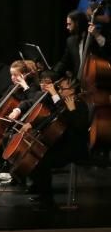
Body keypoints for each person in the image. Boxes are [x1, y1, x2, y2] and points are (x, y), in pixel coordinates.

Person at [25, 75, 90, 207]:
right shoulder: (65, 102)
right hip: (61, 144)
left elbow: (79, 126)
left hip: (74, 147)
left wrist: (71, 110)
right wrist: (32, 124)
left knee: (42, 160)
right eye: (58, 89)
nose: (59, 91)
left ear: (72, 90)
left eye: (61, 88)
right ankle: (41, 191)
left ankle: (48, 201)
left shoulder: (79, 104)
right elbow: (51, 116)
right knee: (35, 156)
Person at [54, 10, 106, 77]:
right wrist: (52, 73)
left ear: (77, 23)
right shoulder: (70, 41)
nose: (67, 27)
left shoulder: (93, 37)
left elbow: (107, 49)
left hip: (96, 79)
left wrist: (96, 35)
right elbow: (64, 62)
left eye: (69, 24)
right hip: (78, 81)